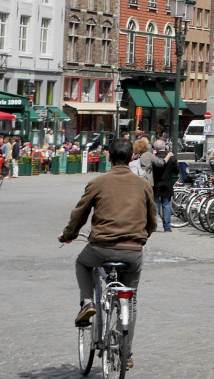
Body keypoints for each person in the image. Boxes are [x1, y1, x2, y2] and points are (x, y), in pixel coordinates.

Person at [59, 138, 155, 355]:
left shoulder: (97, 182)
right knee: (131, 301)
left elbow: (79, 214)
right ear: (132, 157)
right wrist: (140, 239)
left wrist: (68, 235)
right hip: (133, 251)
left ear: (109, 157)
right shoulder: (144, 185)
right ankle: (126, 353)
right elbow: (152, 220)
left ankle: (87, 302)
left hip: (100, 247)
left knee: (82, 263)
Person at [151, 142, 178, 232]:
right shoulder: (171, 157)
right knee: (166, 205)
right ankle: (167, 227)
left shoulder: (153, 157)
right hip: (167, 183)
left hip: (156, 183)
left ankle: (154, 226)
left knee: (155, 205)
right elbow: (176, 170)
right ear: (164, 147)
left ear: (155, 148)